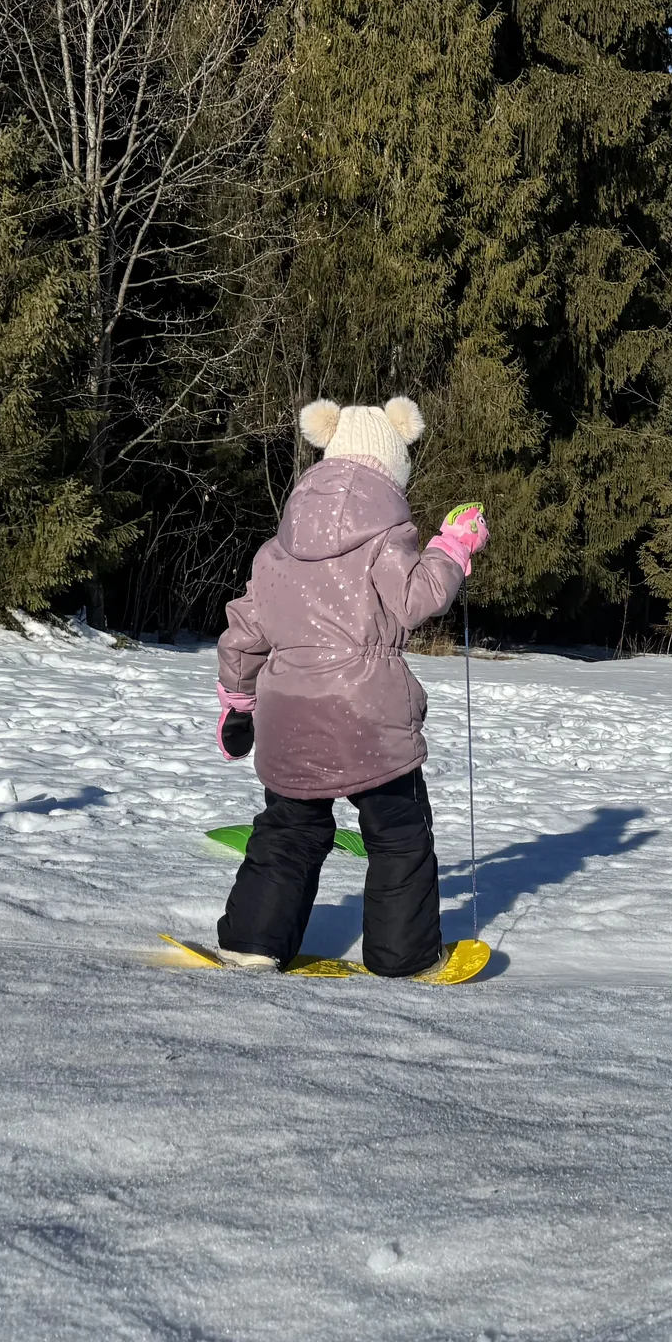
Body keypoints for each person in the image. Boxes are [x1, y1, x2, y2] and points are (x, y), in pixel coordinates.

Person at [212, 397, 489, 975]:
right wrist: (452, 547)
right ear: (392, 468)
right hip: (368, 715)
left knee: (288, 828)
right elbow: (416, 599)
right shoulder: (386, 539)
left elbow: (243, 635)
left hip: (288, 713)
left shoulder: (275, 551)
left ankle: (251, 942)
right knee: (397, 833)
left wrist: (238, 704)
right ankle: (403, 954)